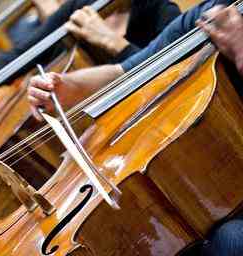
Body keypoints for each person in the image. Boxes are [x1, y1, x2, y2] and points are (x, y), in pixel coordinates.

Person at [27, 1, 243, 255]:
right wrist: (66, 86)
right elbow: (131, 71)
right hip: (219, 191)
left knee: (231, 241)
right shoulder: (214, 12)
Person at [0, 0, 181, 79]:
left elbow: (172, 74)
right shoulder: (81, 5)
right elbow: (21, 55)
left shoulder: (161, 11)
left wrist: (117, 45)